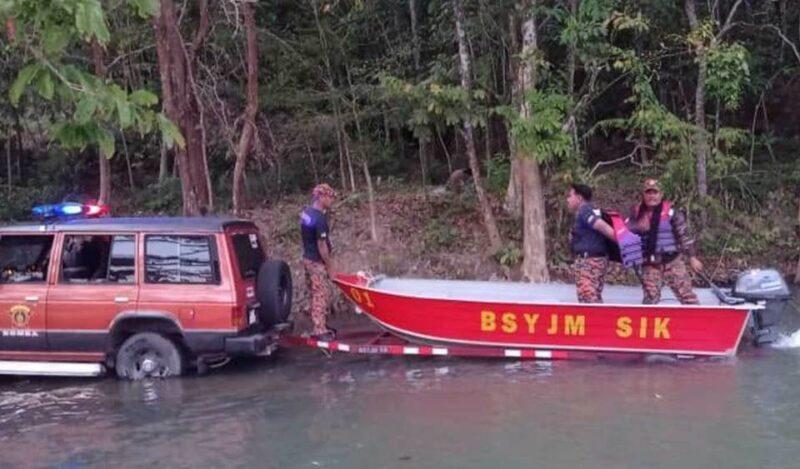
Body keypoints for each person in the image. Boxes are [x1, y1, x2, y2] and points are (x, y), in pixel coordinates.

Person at [627, 178, 703, 305]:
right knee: (650, 300)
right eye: (648, 193)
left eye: (655, 193)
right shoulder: (635, 213)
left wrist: (692, 257)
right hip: (650, 264)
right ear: (643, 195)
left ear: (661, 194)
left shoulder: (672, 212)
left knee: (688, 297)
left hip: (673, 261)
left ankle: (697, 322)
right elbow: (626, 235)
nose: (652, 196)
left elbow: (684, 235)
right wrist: (637, 227)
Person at [566, 183, 617, 303]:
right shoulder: (589, 210)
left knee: (588, 299)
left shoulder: (585, 211)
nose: (568, 199)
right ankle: (599, 321)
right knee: (591, 298)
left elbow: (601, 226)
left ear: (579, 198)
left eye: (570, 196)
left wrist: (622, 241)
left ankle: (598, 322)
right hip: (592, 261)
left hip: (590, 262)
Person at [300, 183, 337, 339]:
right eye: (330, 197)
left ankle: (319, 323)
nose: (332, 200)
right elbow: (321, 245)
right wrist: (330, 267)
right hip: (316, 261)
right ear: (321, 197)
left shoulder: (306, 213)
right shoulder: (320, 218)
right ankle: (319, 330)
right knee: (320, 294)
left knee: (314, 293)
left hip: (307, 258)